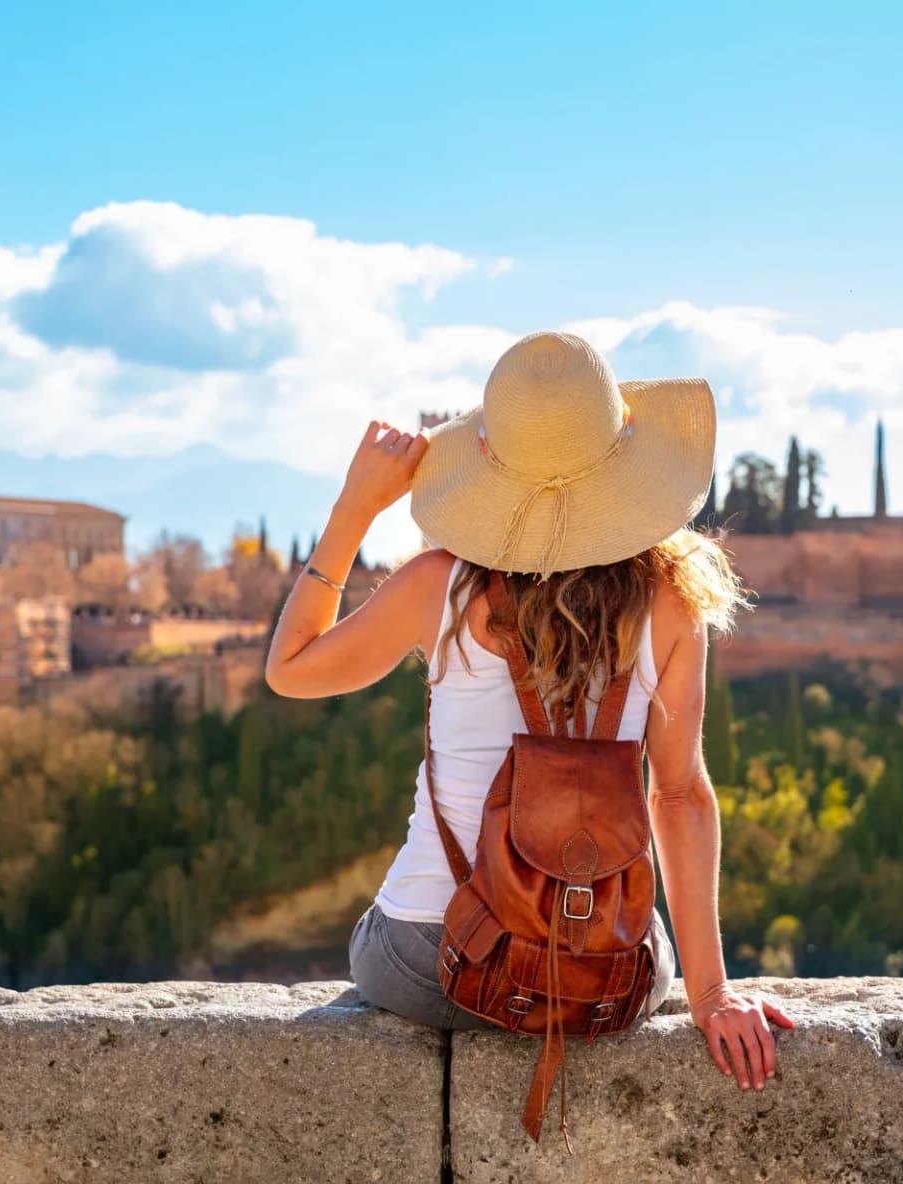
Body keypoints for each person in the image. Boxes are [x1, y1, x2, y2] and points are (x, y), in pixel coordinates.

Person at [265, 330, 791, 1093]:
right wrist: (710, 996)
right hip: (607, 977)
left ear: (490, 464)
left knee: (381, 925)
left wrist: (355, 506)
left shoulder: (437, 585)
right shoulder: (675, 605)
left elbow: (290, 671)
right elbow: (679, 795)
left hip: (430, 964)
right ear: (624, 464)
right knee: (654, 946)